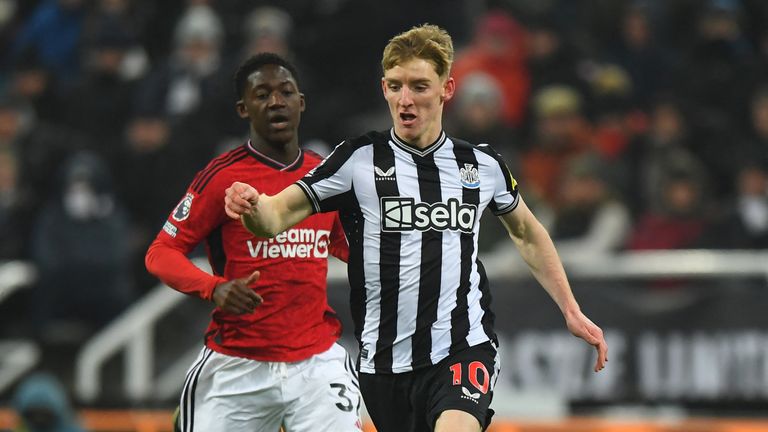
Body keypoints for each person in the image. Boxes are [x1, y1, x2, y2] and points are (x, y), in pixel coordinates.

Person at [225, 25, 608, 432]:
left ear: (447, 88)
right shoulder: (357, 161)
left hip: (463, 347)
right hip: (384, 364)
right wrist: (250, 205)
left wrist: (570, 308)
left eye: (420, 86)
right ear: (384, 89)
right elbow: (274, 217)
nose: (406, 100)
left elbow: (527, 233)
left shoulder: (481, 166)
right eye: (396, 86)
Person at [145, 53, 361, 432]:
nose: (276, 102)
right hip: (237, 364)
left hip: (316, 362)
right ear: (244, 109)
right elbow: (160, 253)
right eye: (262, 94)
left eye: (285, 92)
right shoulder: (220, 177)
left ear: (301, 102)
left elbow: (352, 248)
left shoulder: (327, 176)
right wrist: (214, 288)